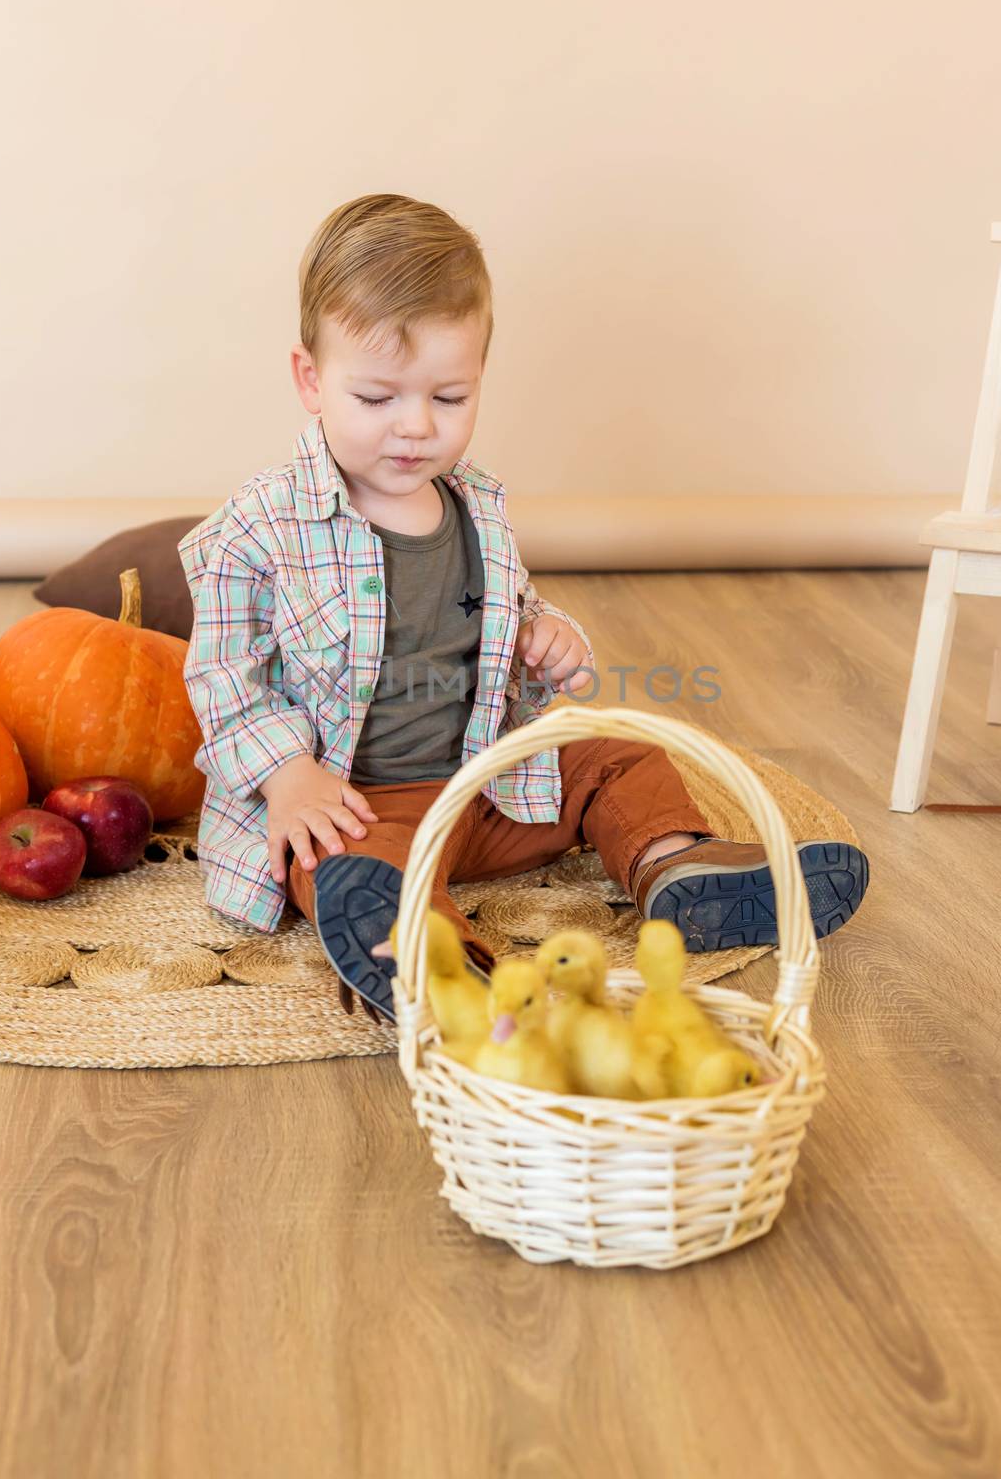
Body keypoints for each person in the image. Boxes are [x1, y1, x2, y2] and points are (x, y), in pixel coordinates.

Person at [177, 193, 869, 1023]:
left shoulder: (477, 505)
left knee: (613, 749)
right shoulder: (259, 528)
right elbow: (222, 676)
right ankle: (426, 958)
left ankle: (676, 868)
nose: (414, 427)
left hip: (488, 785)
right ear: (310, 380)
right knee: (343, 863)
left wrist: (552, 636)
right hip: (355, 798)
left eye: (448, 396)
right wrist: (287, 776)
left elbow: (512, 607)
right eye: (376, 399)